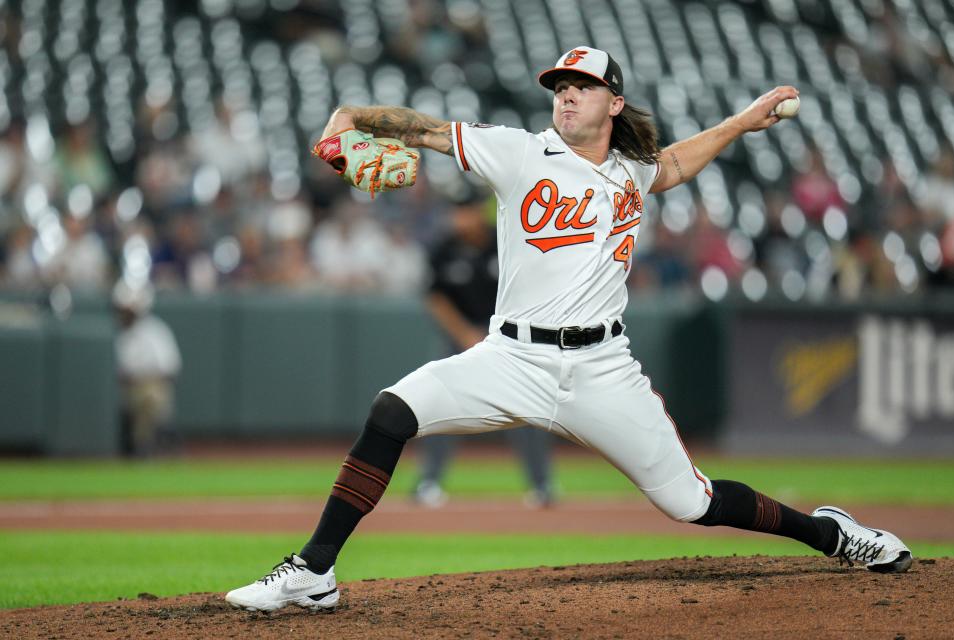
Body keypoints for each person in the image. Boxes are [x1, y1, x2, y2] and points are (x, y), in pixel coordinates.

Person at [225, 46, 912, 613]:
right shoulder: (517, 153)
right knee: (391, 410)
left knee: (692, 502)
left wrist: (740, 122)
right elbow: (422, 128)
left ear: (614, 102)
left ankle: (832, 535)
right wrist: (354, 115)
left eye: (582, 86)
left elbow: (671, 164)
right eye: (560, 85)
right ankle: (315, 571)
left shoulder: (631, 173)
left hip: (602, 370)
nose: (566, 95)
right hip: (509, 357)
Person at [413, 188, 554, 508]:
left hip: (506, 340)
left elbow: (525, 289)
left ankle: (542, 485)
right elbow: (436, 299)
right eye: (456, 211)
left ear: (480, 211)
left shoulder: (504, 242)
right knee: (438, 407)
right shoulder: (443, 250)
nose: (461, 218)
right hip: (458, 340)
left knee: (526, 409)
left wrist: (498, 333)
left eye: (467, 210)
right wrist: (464, 334)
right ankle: (428, 482)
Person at [113, 281, 182, 457]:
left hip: (150, 383)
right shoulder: (117, 332)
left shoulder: (154, 330)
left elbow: (170, 367)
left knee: (149, 397)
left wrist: (144, 380)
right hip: (119, 386)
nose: (125, 312)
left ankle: (143, 448)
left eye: (129, 308)